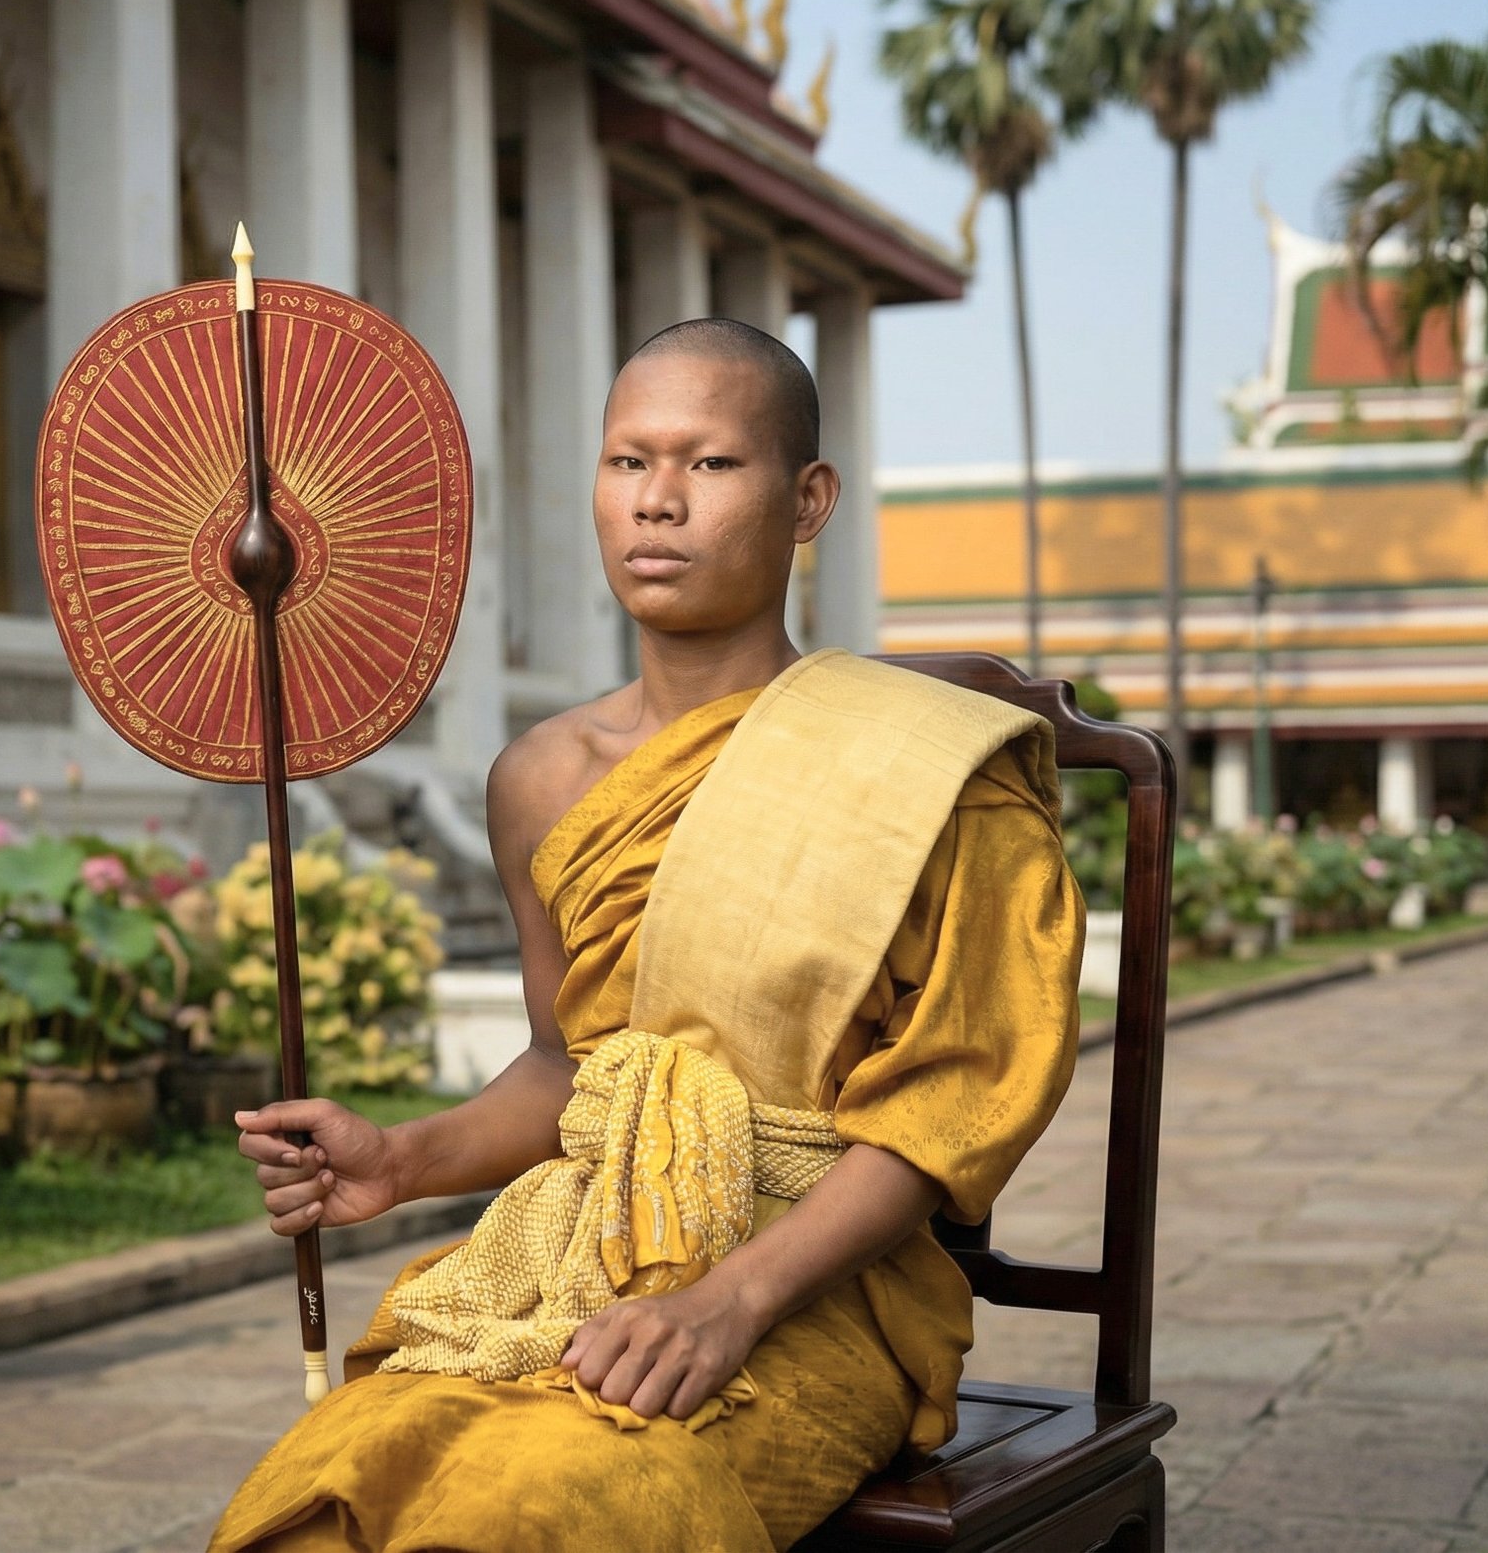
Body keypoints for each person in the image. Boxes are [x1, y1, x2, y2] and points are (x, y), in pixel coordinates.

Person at [210, 317, 1083, 1552]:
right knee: (334, 1482)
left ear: (807, 497)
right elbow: (569, 1069)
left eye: (711, 465)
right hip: (568, 1262)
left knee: (544, 1508)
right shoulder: (542, 777)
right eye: (628, 463)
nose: (657, 504)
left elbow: (944, 1114)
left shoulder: (926, 770)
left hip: (817, 1297)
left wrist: (726, 1306)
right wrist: (402, 1160)